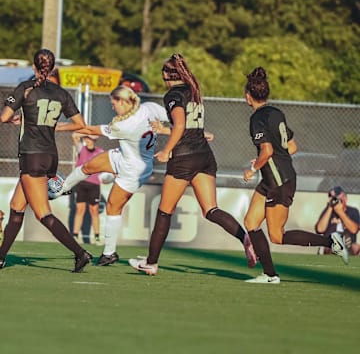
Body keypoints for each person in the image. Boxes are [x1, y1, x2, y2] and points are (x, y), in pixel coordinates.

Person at [128, 53, 257, 275]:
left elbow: (180, 125)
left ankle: (151, 262)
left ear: (170, 75)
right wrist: (169, 131)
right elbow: (189, 127)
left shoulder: (173, 94)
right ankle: (245, 237)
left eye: (163, 74)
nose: (162, 78)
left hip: (184, 158)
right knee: (211, 209)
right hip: (204, 156)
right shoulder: (193, 91)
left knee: (164, 212)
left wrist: (167, 150)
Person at [242, 67, 348, 284]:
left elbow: (268, 150)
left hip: (279, 180)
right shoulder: (276, 113)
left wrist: (253, 168)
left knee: (277, 236)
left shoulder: (257, 119)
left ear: (247, 96)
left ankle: (331, 241)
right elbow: (291, 146)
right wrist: (263, 161)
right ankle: (269, 274)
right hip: (274, 177)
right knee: (251, 222)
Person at [54, 85, 169, 266]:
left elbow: (91, 131)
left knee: (113, 207)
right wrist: (172, 130)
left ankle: (109, 253)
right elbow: (178, 118)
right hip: (123, 156)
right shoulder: (150, 108)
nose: (112, 106)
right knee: (89, 166)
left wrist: (57, 127)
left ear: (123, 101)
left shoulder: (125, 125)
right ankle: (62, 188)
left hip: (134, 169)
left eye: (113, 103)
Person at [0, 48, 92, 272]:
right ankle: (1, 257)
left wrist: (17, 117)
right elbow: (81, 124)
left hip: (32, 156)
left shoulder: (27, 88)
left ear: (34, 67)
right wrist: (59, 125)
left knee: (43, 213)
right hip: (50, 155)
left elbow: (4, 117)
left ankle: (80, 253)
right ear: (52, 69)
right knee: (16, 208)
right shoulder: (60, 93)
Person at [71, 132, 104, 244]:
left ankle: (97, 237)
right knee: (80, 210)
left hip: (94, 184)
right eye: (87, 138)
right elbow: (75, 136)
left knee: (94, 211)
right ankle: (75, 235)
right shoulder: (81, 149)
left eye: (90, 138)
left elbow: (104, 165)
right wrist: (86, 132)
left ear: (95, 140)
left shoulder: (100, 152)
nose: (88, 140)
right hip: (81, 183)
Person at [315, 186, 360, 255]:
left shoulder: (353, 211)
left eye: (336, 198)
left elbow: (354, 230)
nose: (334, 200)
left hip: (348, 243)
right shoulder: (328, 211)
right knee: (329, 245)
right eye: (332, 198)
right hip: (330, 242)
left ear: (345, 198)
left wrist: (340, 212)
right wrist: (330, 208)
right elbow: (320, 229)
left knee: (356, 247)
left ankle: (343, 247)